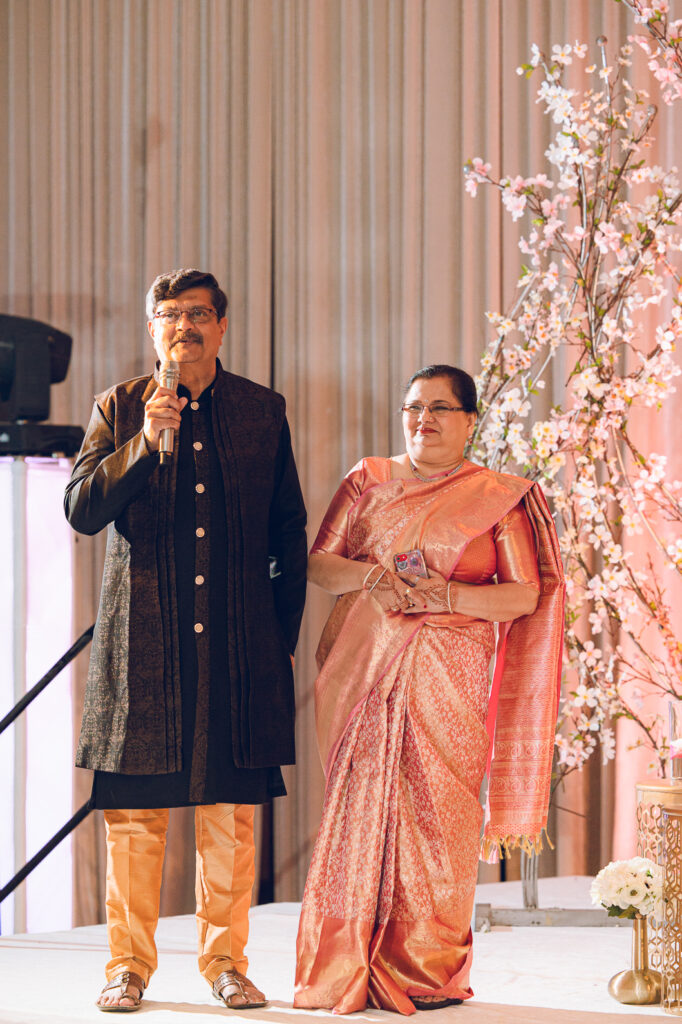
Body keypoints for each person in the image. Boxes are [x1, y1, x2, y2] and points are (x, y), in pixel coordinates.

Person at [64, 268, 307, 1012]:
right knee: (135, 819)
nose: (185, 327)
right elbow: (81, 509)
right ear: (152, 328)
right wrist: (145, 442)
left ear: (221, 327)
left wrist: (280, 638)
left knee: (228, 817)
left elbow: (287, 531)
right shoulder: (121, 407)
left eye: (198, 314)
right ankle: (127, 968)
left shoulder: (263, 412)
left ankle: (225, 962)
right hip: (145, 649)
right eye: (169, 315)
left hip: (237, 647)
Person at [294, 364, 564, 1014]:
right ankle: (342, 964)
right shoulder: (369, 480)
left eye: (441, 408)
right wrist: (372, 581)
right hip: (365, 671)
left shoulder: (497, 494)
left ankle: (426, 971)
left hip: (452, 674)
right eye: (414, 407)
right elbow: (319, 564)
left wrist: (448, 594)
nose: (425, 420)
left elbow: (525, 593)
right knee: (360, 815)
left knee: (438, 819)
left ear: (470, 421)